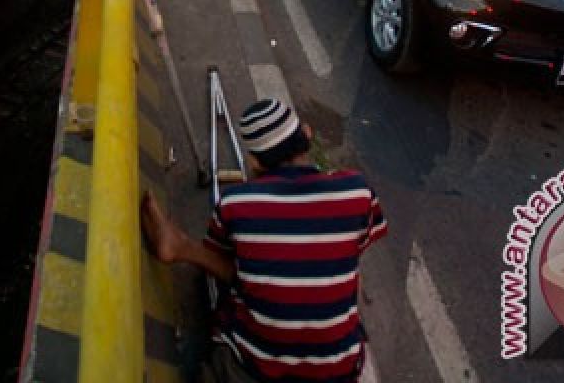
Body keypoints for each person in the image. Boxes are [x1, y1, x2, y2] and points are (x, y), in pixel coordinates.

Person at [142, 99, 387, 382]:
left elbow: (227, 263)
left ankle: (180, 247)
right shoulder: (355, 192)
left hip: (257, 371)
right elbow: (358, 250)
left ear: (255, 162)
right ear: (307, 135)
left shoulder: (236, 203)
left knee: (240, 277)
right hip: (341, 372)